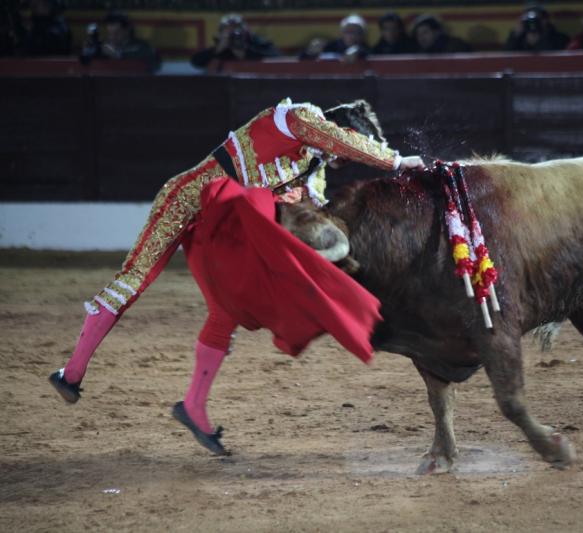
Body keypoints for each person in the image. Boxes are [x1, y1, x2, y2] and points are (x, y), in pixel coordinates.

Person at [49, 98, 425, 455]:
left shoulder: (314, 169)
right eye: (353, 145)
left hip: (225, 225)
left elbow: (309, 212)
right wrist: (393, 161)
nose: (345, 158)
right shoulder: (297, 117)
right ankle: (73, 373)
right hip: (186, 199)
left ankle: (193, 406)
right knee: (135, 278)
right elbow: (338, 140)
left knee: (225, 309)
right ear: (341, 129)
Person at [191, 13, 280, 69]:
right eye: (228, 30)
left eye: (236, 28)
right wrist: (217, 50)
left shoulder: (255, 43)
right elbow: (196, 61)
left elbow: (276, 57)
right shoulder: (222, 48)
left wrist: (245, 52)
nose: (233, 33)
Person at [80, 11, 160, 72]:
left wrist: (117, 55)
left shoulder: (141, 46)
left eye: (116, 34)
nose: (112, 37)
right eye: (110, 34)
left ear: (127, 30)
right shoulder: (103, 46)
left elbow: (154, 63)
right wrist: (89, 51)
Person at [505, 6, 569, 52]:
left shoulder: (560, 38)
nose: (532, 24)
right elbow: (506, 56)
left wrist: (540, 40)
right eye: (528, 21)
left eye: (536, 20)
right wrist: (515, 36)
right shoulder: (518, 39)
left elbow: (554, 57)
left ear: (545, 20)